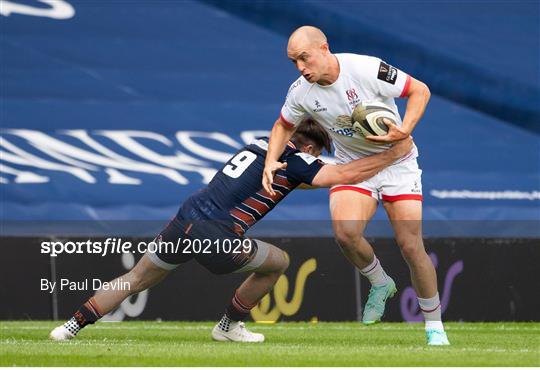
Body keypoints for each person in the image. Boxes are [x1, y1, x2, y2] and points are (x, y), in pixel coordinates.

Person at [50, 118, 412, 343]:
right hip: (216, 232)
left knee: (137, 277)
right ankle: (228, 326)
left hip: (185, 217)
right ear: (307, 146)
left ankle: (69, 327)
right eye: (317, 152)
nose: (315, 158)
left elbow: (296, 182)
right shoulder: (298, 158)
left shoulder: (257, 146)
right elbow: (341, 176)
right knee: (278, 262)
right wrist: (391, 156)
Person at [262, 26, 449, 345]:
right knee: (346, 234)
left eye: (304, 58)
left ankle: (434, 327)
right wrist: (270, 160)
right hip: (354, 166)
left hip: (398, 163)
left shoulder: (366, 69)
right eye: (294, 62)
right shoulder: (301, 92)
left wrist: (404, 129)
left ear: (324, 48)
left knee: (410, 245)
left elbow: (420, 91)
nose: (301, 68)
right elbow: (283, 125)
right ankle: (380, 282)